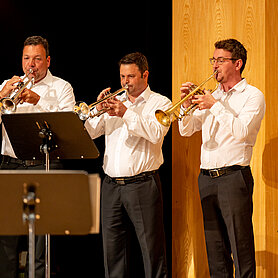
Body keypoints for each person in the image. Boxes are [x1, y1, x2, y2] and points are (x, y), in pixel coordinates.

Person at [178, 38, 265, 277]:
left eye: (220, 60)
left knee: (241, 247)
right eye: (213, 60)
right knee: (215, 250)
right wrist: (187, 106)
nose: (214, 66)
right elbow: (186, 130)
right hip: (206, 178)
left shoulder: (252, 96)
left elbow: (242, 132)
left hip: (233, 177)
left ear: (237, 64)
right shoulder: (210, 96)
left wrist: (214, 105)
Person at [85, 52, 171, 278]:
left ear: (145, 75)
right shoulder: (116, 101)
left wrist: (126, 113)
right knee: (112, 251)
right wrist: (96, 110)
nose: (125, 82)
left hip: (142, 184)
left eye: (131, 76)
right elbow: (91, 132)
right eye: (122, 76)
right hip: (111, 186)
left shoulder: (161, 102)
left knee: (151, 250)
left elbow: (154, 133)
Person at [0, 36, 75, 278]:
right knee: (6, 241)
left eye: (37, 59)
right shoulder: (8, 85)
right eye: (26, 58)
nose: (31, 64)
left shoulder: (62, 88)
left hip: (45, 166)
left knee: (41, 241)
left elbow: (68, 129)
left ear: (48, 60)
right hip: (10, 165)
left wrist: (39, 101)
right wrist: (1, 97)